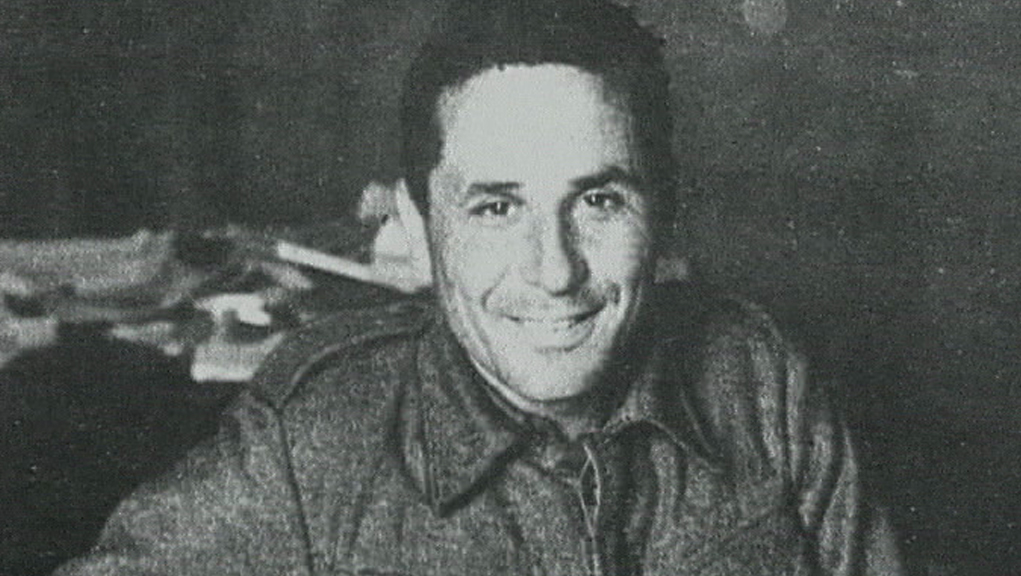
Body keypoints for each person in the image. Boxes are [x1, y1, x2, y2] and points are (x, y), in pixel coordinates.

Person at [54, 0, 903, 573]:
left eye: (598, 201)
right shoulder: (312, 441)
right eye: (496, 208)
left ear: (664, 217)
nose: (554, 270)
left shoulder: (756, 377)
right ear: (418, 230)